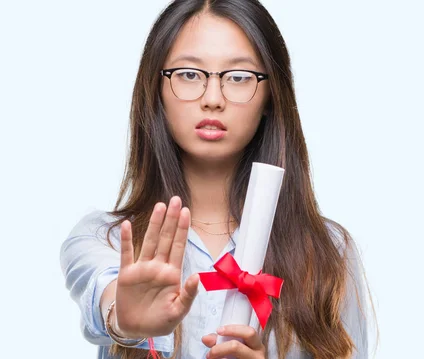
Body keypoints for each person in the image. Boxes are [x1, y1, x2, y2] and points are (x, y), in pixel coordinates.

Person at [60, 0, 373, 358]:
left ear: (271, 95)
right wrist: (123, 319)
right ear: (157, 90)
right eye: (189, 74)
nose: (212, 99)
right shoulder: (106, 239)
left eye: (238, 77)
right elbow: (106, 292)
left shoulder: (327, 253)